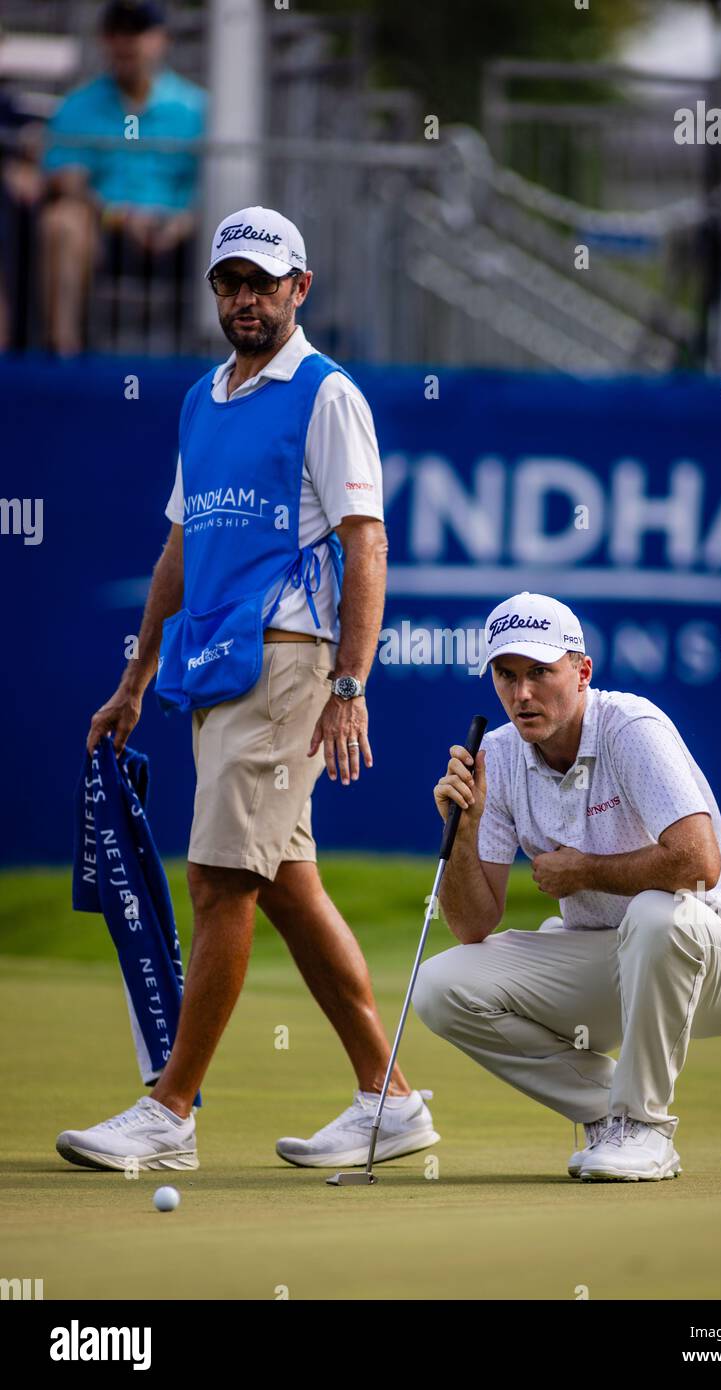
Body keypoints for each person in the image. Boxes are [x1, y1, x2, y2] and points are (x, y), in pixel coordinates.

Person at [56, 205, 439, 1173]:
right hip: (214, 667)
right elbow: (181, 548)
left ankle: (170, 1111)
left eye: (264, 282)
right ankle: (388, 1099)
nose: (245, 298)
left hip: (291, 660)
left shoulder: (325, 392)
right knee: (284, 886)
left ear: (299, 289)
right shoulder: (201, 400)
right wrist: (134, 675)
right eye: (230, 282)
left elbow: (367, 541)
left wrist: (349, 680)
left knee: (221, 878)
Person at [416, 591, 721, 1182]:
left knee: (658, 914)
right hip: (611, 960)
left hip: (716, 962)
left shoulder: (630, 727)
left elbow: (697, 865)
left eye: (540, 673)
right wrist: (464, 831)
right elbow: (474, 925)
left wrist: (584, 871)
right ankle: (610, 1115)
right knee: (440, 984)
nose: (521, 694)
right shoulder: (499, 755)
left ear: (582, 671)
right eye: (506, 676)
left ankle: (647, 1129)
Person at [40, 0, 206, 354]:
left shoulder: (196, 108)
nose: (126, 41)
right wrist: (120, 217)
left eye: (138, 30)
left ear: (163, 39)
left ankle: (226, 368)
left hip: (183, 236)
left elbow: (214, 185)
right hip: (106, 229)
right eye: (117, 31)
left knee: (232, 231)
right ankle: (62, 358)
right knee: (62, 223)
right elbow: (65, 180)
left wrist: (182, 222)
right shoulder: (78, 105)